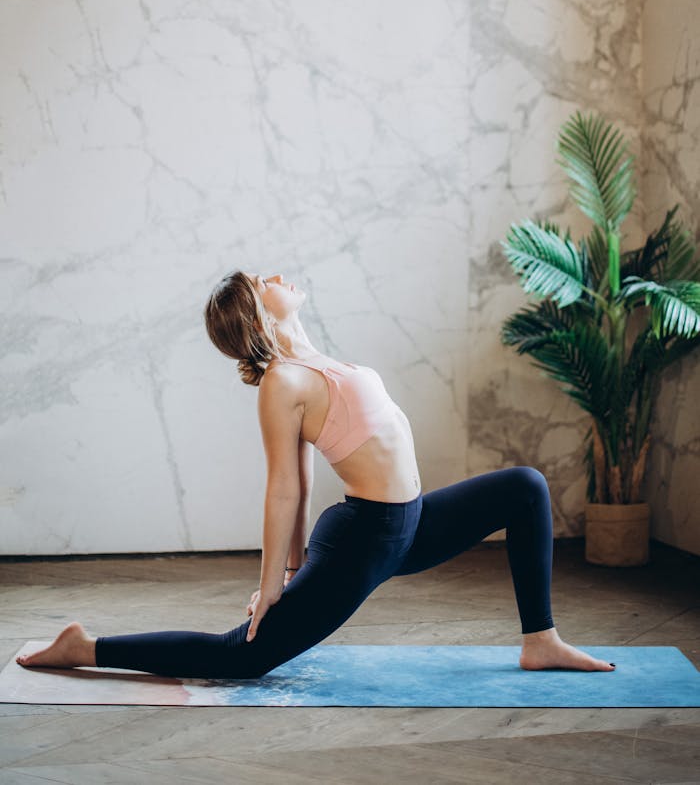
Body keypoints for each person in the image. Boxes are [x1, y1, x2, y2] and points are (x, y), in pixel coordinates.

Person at [17, 272, 615, 677]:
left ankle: (540, 640)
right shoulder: (281, 382)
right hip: (367, 537)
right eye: (263, 281)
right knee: (243, 657)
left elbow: (304, 472)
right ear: (256, 310)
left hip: (408, 523)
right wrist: (276, 583)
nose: (279, 277)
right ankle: (86, 647)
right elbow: (285, 486)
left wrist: (299, 568)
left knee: (525, 488)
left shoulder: (313, 359)